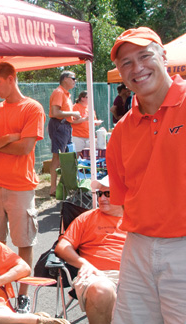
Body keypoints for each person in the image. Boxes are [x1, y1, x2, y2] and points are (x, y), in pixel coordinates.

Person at [107, 26, 186, 324]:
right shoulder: (121, 131)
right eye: (126, 62)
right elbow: (123, 198)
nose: (137, 68)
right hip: (137, 248)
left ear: (163, 55)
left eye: (144, 56)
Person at [0, 62, 45, 313]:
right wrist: (6, 138)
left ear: (11, 78)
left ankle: (23, 296)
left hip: (21, 186)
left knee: (23, 242)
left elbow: (25, 148)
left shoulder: (32, 108)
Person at [54, 176, 125, 324]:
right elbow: (62, 247)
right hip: (96, 274)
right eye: (100, 194)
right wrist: (84, 263)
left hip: (131, 275)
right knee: (101, 290)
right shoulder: (86, 218)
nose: (102, 198)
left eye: (108, 193)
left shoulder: (134, 220)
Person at [48, 71, 81, 196]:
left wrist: (73, 117)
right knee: (57, 156)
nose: (75, 81)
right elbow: (55, 112)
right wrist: (73, 114)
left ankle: (64, 185)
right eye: (73, 78)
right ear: (65, 79)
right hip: (59, 125)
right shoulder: (59, 92)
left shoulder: (66, 94)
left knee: (65, 155)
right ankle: (53, 188)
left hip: (65, 126)